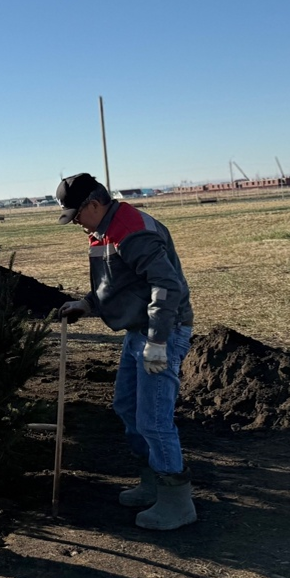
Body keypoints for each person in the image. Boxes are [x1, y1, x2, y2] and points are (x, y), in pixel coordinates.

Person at [56, 172, 197, 531]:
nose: (77, 224)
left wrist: (158, 342)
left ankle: (177, 503)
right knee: (127, 406)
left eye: (77, 215)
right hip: (138, 330)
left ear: (94, 204)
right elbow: (117, 282)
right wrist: (88, 304)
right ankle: (152, 482)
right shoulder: (102, 231)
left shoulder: (131, 231)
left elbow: (166, 285)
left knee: (153, 418)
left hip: (163, 331)